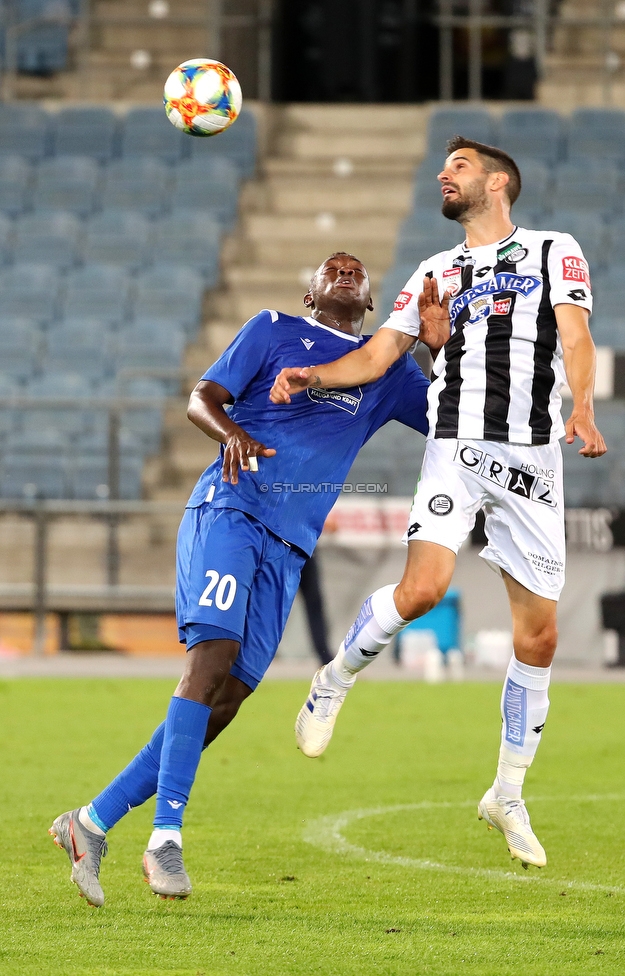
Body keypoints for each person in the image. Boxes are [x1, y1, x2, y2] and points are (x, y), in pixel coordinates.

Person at [48, 252, 430, 906]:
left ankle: (89, 823)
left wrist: (438, 342)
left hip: (289, 548)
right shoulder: (272, 329)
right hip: (229, 508)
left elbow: (450, 422)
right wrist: (229, 433)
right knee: (212, 656)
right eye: (329, 268)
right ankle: (165, 839)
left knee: (227, 700)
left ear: (370, 302)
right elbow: (203, 397)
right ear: (309, 293)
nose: (343, 269)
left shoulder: (385, 368)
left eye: (355, 269)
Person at [271, 138, 607, 869]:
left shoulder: (555, 249)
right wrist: (313, 374)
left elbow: (576, 337)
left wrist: (581, 408)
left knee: (538, 640)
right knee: (423, 591)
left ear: (496, 182)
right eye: (442, 166)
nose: (441, 175)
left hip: (533, 457)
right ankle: (333, 681)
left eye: (456, 166)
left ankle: (506, 795)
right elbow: (378, 355)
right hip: (455, 443)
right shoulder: (434, 271)